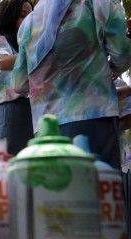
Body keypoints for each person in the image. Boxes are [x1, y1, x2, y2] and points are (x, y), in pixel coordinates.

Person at [12, 0, 131, 169]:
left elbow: (18, 83)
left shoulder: (28, 25)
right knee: (97, 189)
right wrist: (111, 70)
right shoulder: (96, 3)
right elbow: (123, 53)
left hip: (45, 132)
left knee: (55, 192)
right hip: (92, 118)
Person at [0, 0, 34, 155]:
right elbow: (2, 62)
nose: (28, 21)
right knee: (7, 165)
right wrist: (35, 55)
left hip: (29, 109)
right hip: (10, 109)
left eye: (31, 17)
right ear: (9, 17)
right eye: (22, 15)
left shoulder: (26, 46)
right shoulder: (1, 41)